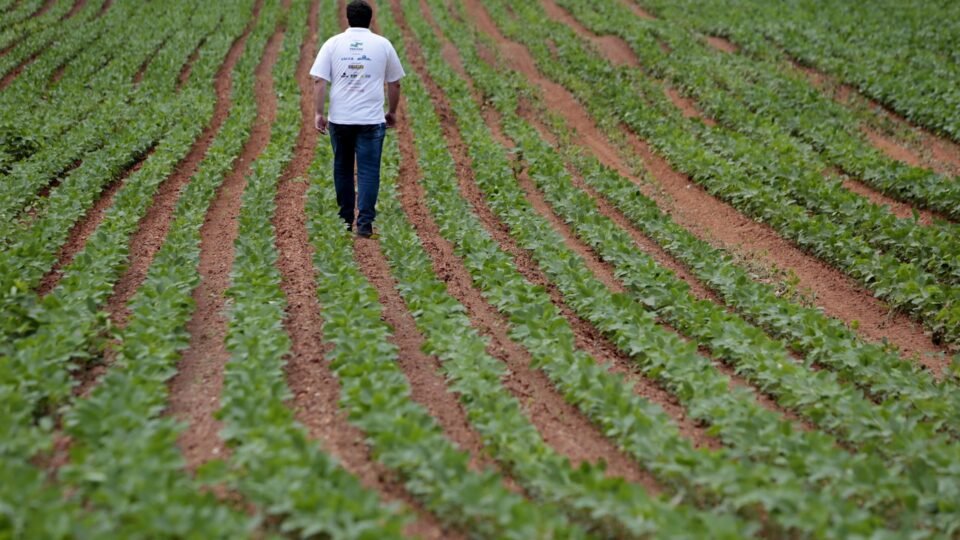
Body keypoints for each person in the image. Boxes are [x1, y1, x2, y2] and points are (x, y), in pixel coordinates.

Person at [310, 0, 405, 238]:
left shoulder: (333, 44)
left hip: (340, 119)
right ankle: (364, 224)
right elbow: (394, 82)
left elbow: (319, 81)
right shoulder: (382, 45)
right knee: (369, 171)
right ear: (370, 19)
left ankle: (344, 221)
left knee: (342, 169)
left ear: (347, 18)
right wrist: (392, 111)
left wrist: (319, 113)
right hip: (371, 120)